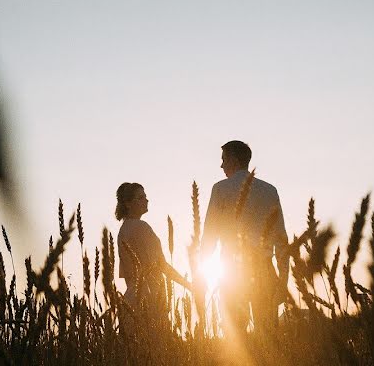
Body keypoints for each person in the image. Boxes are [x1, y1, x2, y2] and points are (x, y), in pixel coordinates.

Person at [201, 140, 289, 334]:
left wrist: (200, 275)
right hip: (265, 270)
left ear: (233, 159)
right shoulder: (269, 190)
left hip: (232, 271)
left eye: (223, 159)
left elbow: (209, 237)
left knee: (237, 337)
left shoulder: (220, 189)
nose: (221, 165)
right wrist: (284, 280)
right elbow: (281, 240)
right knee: (269, 338)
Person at [115, 182, 191, 324]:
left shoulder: (122, 231)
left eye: (145, 196)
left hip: (130, 302)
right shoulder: (142, 227)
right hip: (150, 301)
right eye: (140, 197)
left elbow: (127, 276)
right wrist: (189, 285)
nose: (146, 200)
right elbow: (161, 265)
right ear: (128, 203)